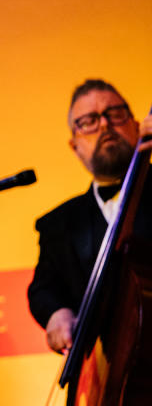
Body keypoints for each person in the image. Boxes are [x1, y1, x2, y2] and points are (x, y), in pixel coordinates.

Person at [27, 78, 152, 353]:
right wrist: (56, 314)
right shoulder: (58, 225)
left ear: (135, 124)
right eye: (89, 121)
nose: (105, 125)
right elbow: (42, 289)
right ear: (74, 146)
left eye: (115, 114)